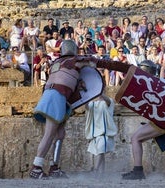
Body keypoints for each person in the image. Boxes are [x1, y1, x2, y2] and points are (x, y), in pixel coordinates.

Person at [30, 39, 132, 180]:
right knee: (49, 134)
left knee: (60, 134)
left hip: (53, 95)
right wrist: (128, 68)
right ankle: (37, 167)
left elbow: (66, 79)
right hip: (57, 96)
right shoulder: (77, 60)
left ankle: (54, 168)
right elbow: (105, 63)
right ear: (75, 50)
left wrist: (78, 84)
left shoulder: (55, 63)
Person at [85, 93, 118, 173]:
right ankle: (101, 174)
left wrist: (100, 94)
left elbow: (107, 101)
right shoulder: (92, 104)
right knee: (100, 153)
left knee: (100, 151)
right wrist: (86, 97)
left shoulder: (108, 101)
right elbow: (86, 107)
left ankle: (95, 170)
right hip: (95, 133)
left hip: (104, 133)